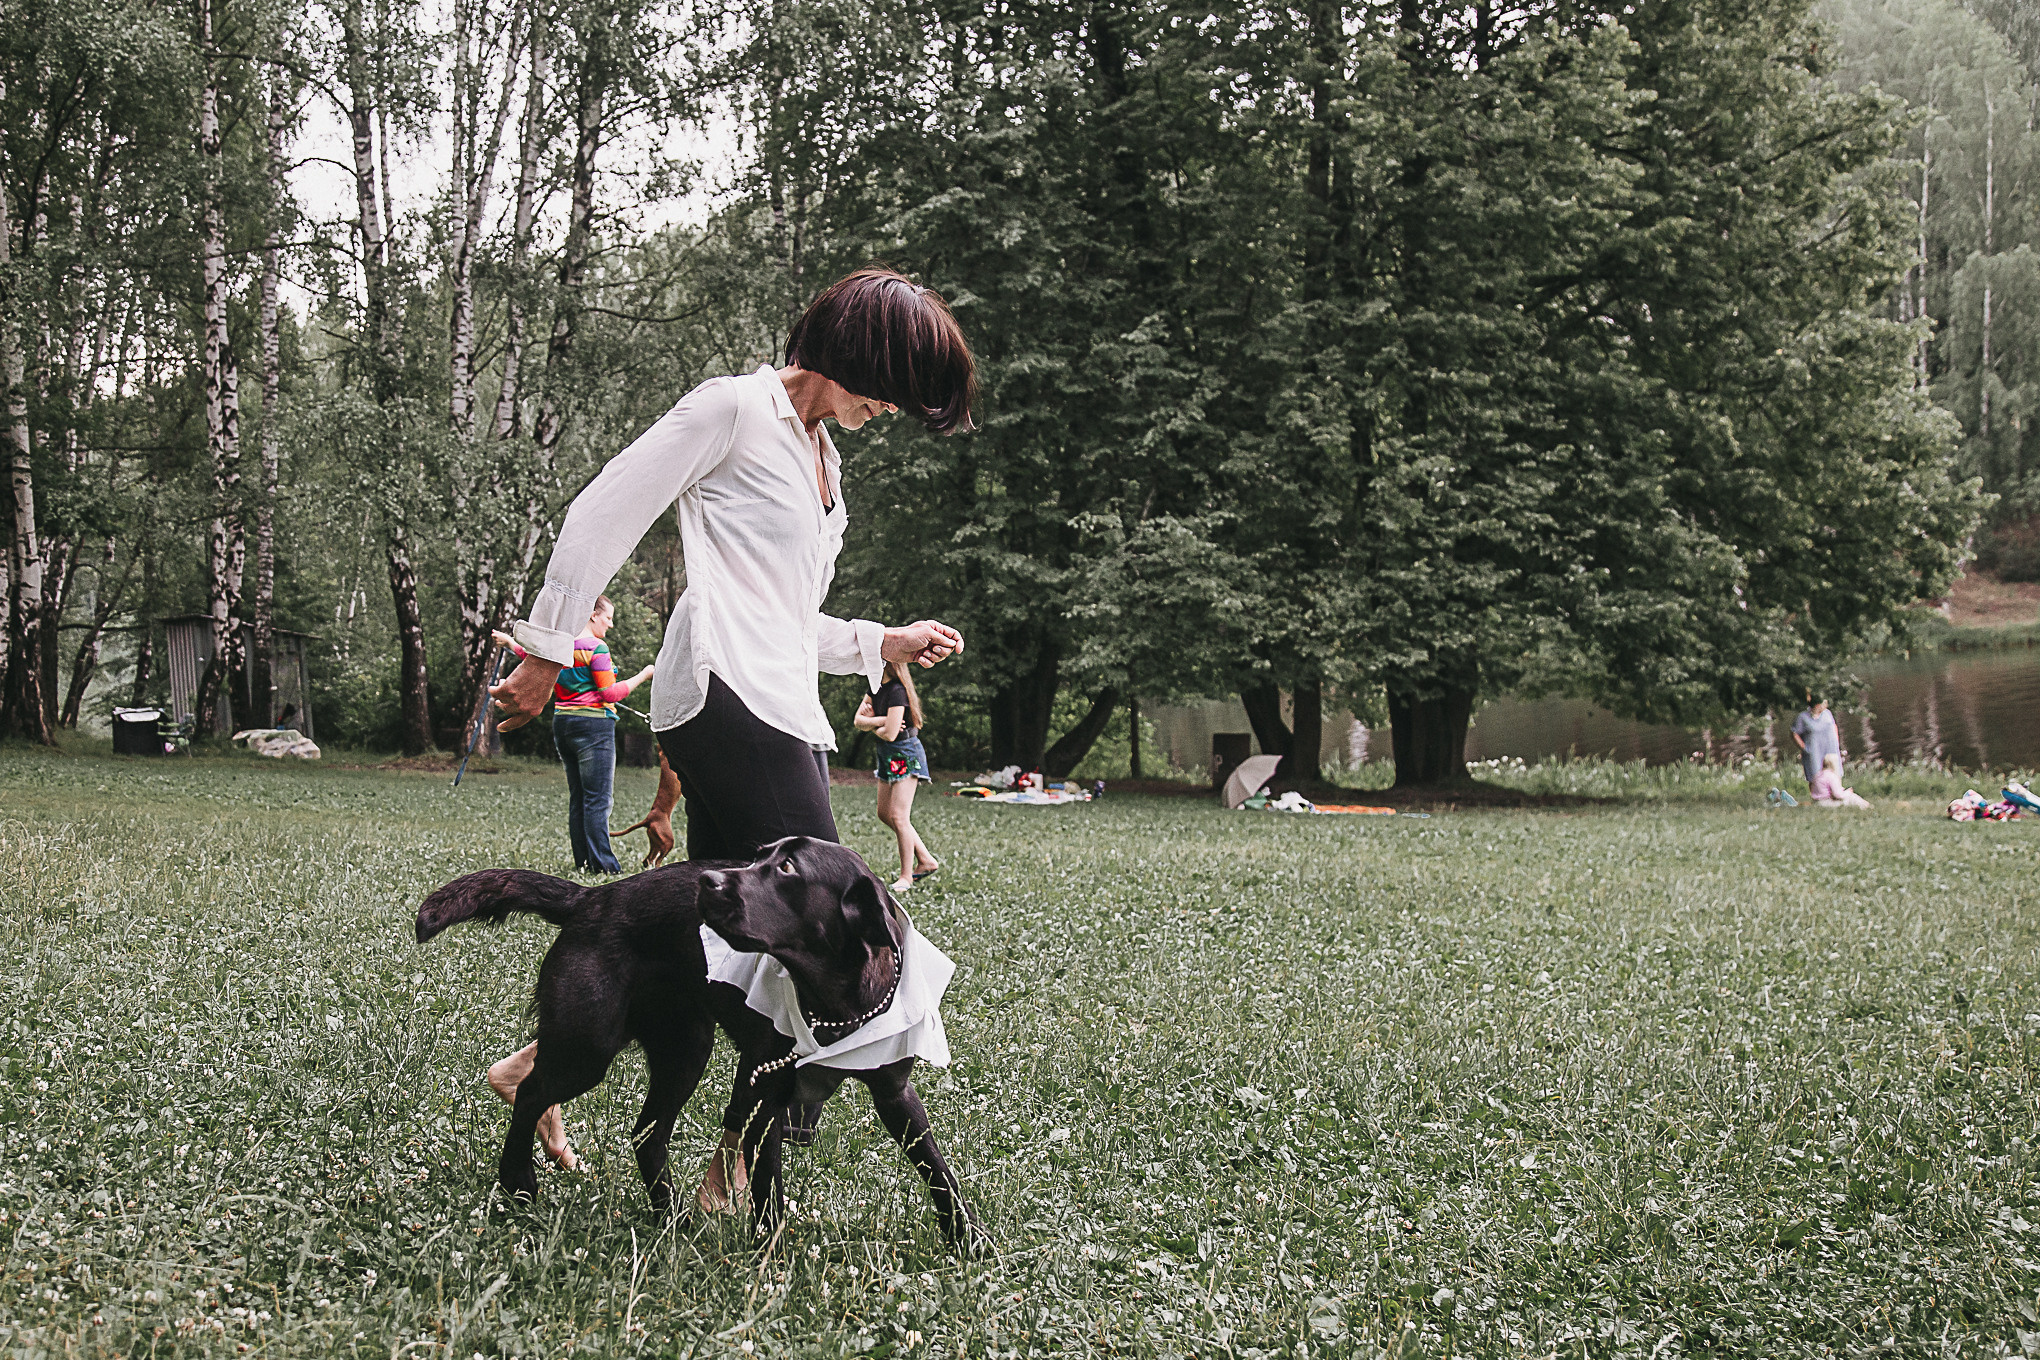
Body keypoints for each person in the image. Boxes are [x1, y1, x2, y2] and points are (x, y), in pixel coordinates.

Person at [486, 266, 975, 1213]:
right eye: (897, 389)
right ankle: (737, 1164)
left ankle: (542, 1065)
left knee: (712, 934)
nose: (896, 410)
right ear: (856, 356)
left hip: (772, 690)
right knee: (825, 928)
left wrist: (880, 642)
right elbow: (602, 510)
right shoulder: (734, 411)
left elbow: (790, 613)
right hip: (729, 697)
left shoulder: (824, 456)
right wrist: (548, 652)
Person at [492, 594, 653, 875]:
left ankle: (583, 861)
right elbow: (609, 693)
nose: (610, 625)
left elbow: (532, 658)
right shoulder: (596, 648)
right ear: (592, 614)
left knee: (579, 797)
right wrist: (644, 674)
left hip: (563, 724)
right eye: (608, 618)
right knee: (598, 799)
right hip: (594, 728)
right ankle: (604, 865)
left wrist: (509, 641)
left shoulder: (561, 650)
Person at [855, 659, 939, 891]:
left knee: (899, 816)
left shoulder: (896, 691)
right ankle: (926, 860)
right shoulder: (875, 689)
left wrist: (875, 724)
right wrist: (881, 721)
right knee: (884, 813)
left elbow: (891, 734)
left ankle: (906, 876)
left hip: (905, 753)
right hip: (886, 755)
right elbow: (858, 721)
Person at [1790, 696, 1839, 790]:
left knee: (1834, 773)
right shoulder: (1803, 717)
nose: (1826, 705)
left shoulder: (1827, 714)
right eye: (1824, 703)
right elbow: (1794, 733)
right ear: (1817, 705)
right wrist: (1804, 747)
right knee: (1815, 776)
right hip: (1814, 751)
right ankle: (1817, 797)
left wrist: (1836, 741)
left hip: (1830, 749)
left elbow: (1834, 726)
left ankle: (1836, 795)